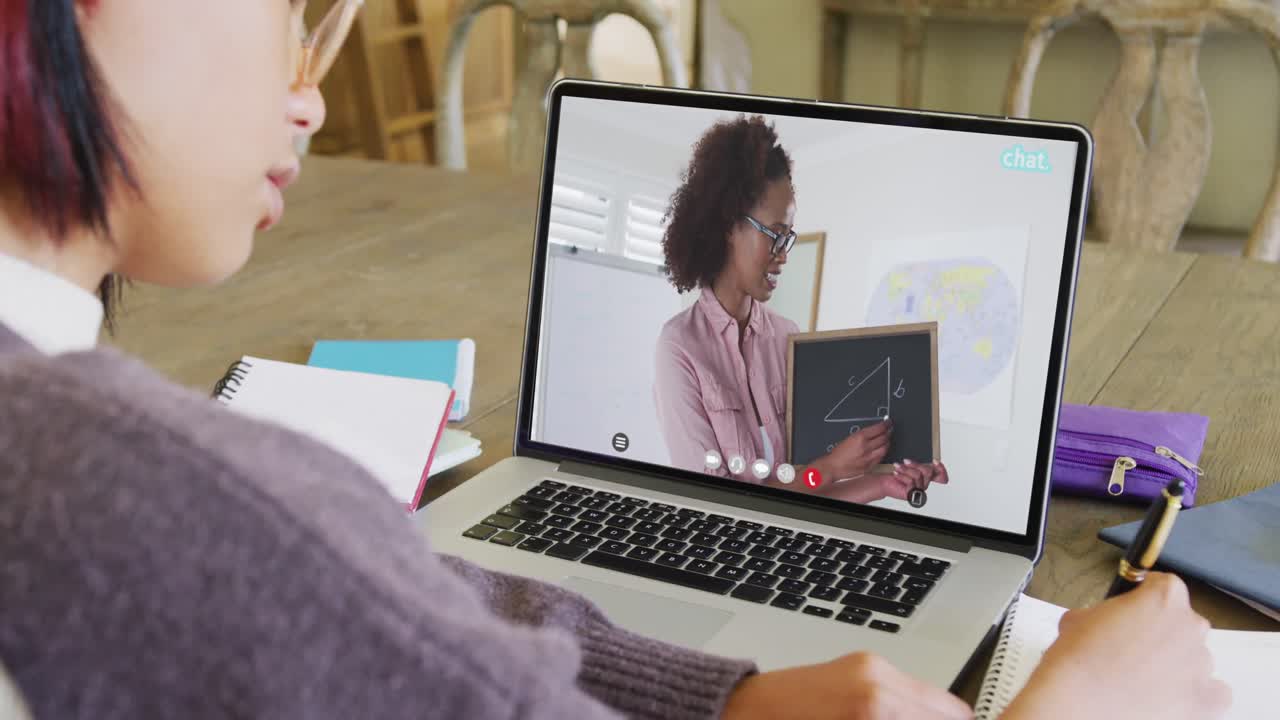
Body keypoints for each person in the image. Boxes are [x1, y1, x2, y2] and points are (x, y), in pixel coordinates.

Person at [0, 2, 1230, 719]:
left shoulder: (797, 340)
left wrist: (744, 674)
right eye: (284, 8)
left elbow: (399, 611)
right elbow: (726, 475)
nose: (309, 90)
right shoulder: (162, 499)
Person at [653, 116, 948, 504]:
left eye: (787, 238)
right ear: (727, 225)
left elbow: (807, 490)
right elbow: (715, 503)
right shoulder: (680, 347)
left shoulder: (787, 337)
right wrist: (828, 468)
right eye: (775, 234)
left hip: (793, 550)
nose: (783, 255)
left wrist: (883, 482)